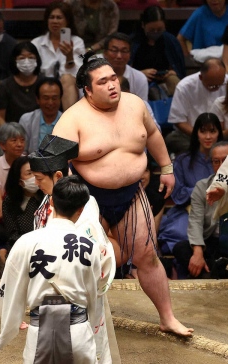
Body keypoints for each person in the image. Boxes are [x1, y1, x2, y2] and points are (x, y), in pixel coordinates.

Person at [52, 52, 194, 336]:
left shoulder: (135, 104)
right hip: (88, 199)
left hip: (131, 194)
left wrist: (166, 167)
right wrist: (69, 195)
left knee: (148, 257)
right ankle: (72, 322)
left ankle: (167, 317)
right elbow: (52, 163)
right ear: (88, 90)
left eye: (113, 78)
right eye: (102, 82)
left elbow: (152, 135)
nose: (112, 85)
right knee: (81, 262)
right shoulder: (72, 119)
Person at [0, 175, 115, 363]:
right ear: (81, 210)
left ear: (51, 202)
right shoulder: (91, 247)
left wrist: (7, 329)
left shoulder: (27, 241)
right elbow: (93, 293)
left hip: (39, 329)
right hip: (78, 331)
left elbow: (11, 284)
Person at [28, 134, 117, 363]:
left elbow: (99, 256)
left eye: (38, 178)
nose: (35, 183)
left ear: (57, 176)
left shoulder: (84, 207)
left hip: (75, 294)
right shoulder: (48, 198)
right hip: (49, 295)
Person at [158, 113, 222, 254]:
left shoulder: (225, 159)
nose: (208, 136)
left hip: (220, 211)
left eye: (212, 131)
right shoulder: (182, 161)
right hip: (188, 210)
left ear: (219, 133)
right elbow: (178, 194)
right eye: (203, 131)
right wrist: (203, 190)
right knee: (181, 235)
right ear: (196, 133)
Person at [173, 141, 228, 279]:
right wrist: (198, 253)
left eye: (225, 161)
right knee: (181, 248)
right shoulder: (202, 186)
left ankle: (211, 274)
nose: (221, 166)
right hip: (211, 240)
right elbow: (195, 221)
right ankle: (208, 273)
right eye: (216, 161)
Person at [166, 58, 228, 155]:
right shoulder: (184, 87)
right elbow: (178, 120)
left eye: (220, 85)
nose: (216, 89)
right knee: (172, 139)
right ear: (201, 77)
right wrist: (200, 136)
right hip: (191, 134)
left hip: (220, 135)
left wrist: (214, 136)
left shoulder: (227, 83)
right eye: (212, 86)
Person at [31, 1, 85, 110]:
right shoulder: (36, 43)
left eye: (59, 18)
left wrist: (69, 57)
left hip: (67, 89)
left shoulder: (77, 42)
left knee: (67, 79)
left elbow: (77, 75)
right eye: (52, 17)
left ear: (67, 21)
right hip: (43, 87)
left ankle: (69, 123)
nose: (55, 21)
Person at [0, 122, 26, 261]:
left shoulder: (29, 162)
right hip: (2, 213)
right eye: (14, 140)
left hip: (24, 210)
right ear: (2, 145)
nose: (19, 144)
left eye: (22, 140)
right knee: (0, 233)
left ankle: (7, 251)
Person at [130, 5, 186, 100]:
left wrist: (171, 72)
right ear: (143, 25)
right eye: (152, 30)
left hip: (164, 79)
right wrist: (140, 74)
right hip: (139, 79)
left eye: (160, 29)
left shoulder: (170, 41)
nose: (156, 32)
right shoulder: (132, 42)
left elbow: (179, 69)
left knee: (174, 81)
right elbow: (124, 70)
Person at [2, 155, 44, 253]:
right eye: (29, 173)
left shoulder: (48, 196)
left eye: (35, 171)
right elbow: (12, 234)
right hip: (20, 247)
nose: (34, 176)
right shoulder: (10, 201)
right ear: (19, 181)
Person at [0, 41, 41, 127]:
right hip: (13, 131)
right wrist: (8, 134)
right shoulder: (6, 85)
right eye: (22, 58)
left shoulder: (43, 83)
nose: (26, 62)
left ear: (37, 60)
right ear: (14, 60)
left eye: (31, 57)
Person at [20, 77, 63, 155]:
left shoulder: (69, 121)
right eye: (46, 98)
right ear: (37, 99)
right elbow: (22, 151)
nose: (50, 103)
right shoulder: (26, 120)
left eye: (54, 98)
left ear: (60, 99)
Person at [103, 32, 148, 101]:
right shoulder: (94, 76)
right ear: (105, 53)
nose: (119, 56)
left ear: (130, 54)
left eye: (124, 51)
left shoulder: (139, 78)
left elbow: (143, 107)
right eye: (114, 50)